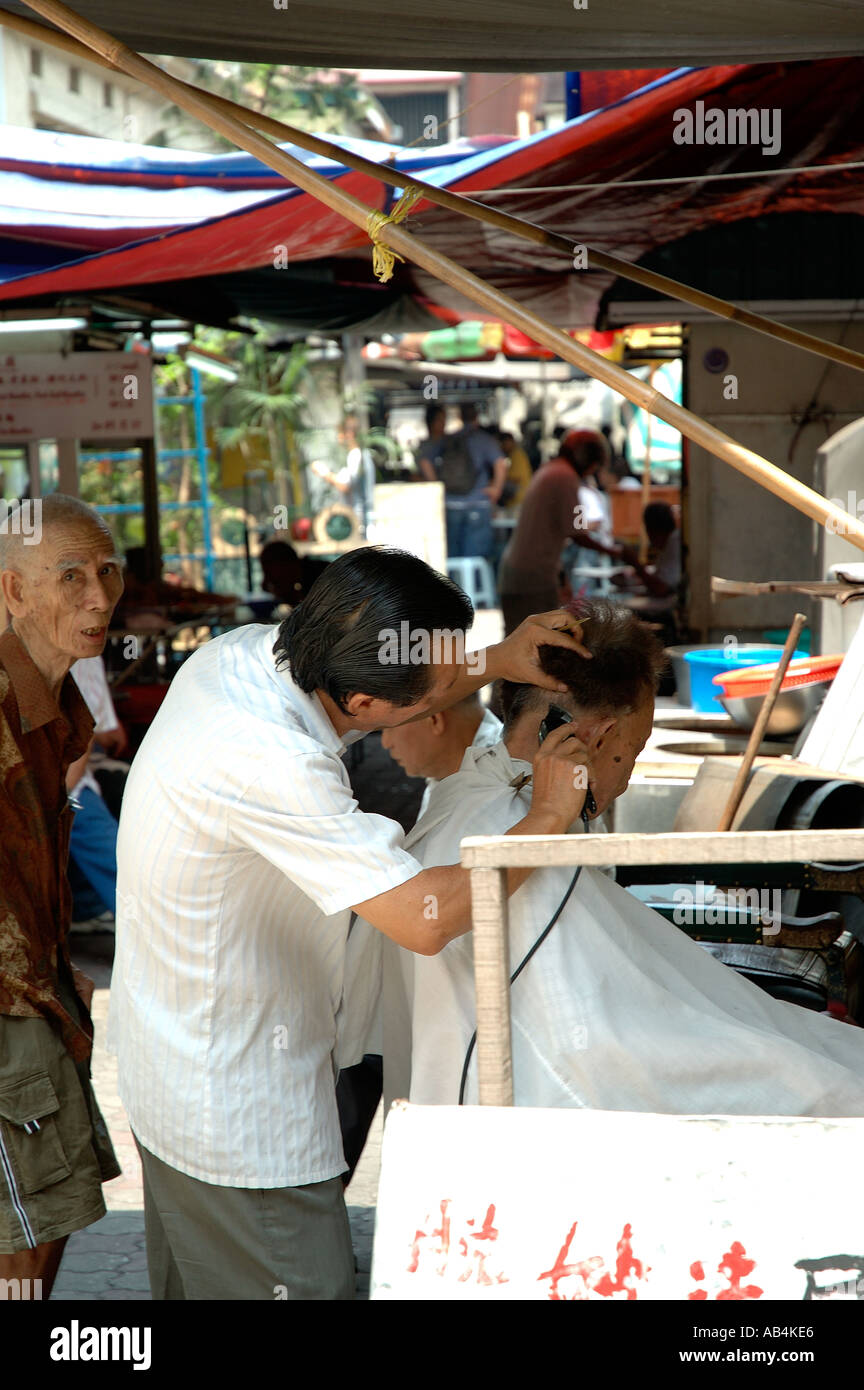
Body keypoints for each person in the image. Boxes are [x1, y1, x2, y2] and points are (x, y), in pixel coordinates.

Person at [109, 546, 591, 1300]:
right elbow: (421, 918)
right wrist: (550, 815)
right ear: (365, 706)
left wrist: (499, 657)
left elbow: (393, 680)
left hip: (168, 1052)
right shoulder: (275, 760)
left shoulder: (245, 652)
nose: (445, 700)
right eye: (430, 691)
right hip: (235, 1103)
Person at [397, 600, 864, 1115]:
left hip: (488, 1095)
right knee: (831, 1085)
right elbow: (597, 1052)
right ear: (593, 736)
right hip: (552, 1120)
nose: (625, 776)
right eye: (635, 750)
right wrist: (785, 1058)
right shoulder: (511, 829)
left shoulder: (463, 796)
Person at [0, 495, 123, 1296]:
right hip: (9, 1013)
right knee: (18, 1237)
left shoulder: (56, 703)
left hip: (38, 996)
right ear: (12, 590)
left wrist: (51, 961)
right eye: (70, 575)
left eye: (108, 572)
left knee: (48, 1221)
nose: (99, 596)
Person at [497, 428, 628, 634]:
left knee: (518, 642)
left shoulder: (552, 471)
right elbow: (578, 533)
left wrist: (561, 579)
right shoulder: (565, 478)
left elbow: (552, 532)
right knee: (534, 646)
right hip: (532, 579)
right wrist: (617, 552)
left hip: (523, 574)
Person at [66, 656, 128, 931]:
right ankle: (147, 925)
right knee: (117, 858)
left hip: (68, 772)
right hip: (63, 777)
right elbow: (88, 732)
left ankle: (86, 905)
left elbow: (96, 730)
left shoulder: (85, 655)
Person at [382, 691, 502, 819]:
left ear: (434, 719)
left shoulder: (503, 783)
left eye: (390, 726)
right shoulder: (446, 771)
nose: (386, 743)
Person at [418, 402, 508, 560]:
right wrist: (496, 489)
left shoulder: (448, 439)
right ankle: (476, 585)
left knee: (453, 556)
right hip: (478, 505)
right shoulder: (485, 440)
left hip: (451, 504)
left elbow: (425, 462)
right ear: (477, 416)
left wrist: (437, 486)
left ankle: (454, 585)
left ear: (459, 416)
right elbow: (500, 464)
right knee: (477, 559)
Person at [309, 414, 377, 531]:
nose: (338, 438)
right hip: (358, 520)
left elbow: (345, 486)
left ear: (349, 434)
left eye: (340, 433)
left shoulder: (356, 456)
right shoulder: (359, 454)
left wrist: (324, 473)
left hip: (360, 522)